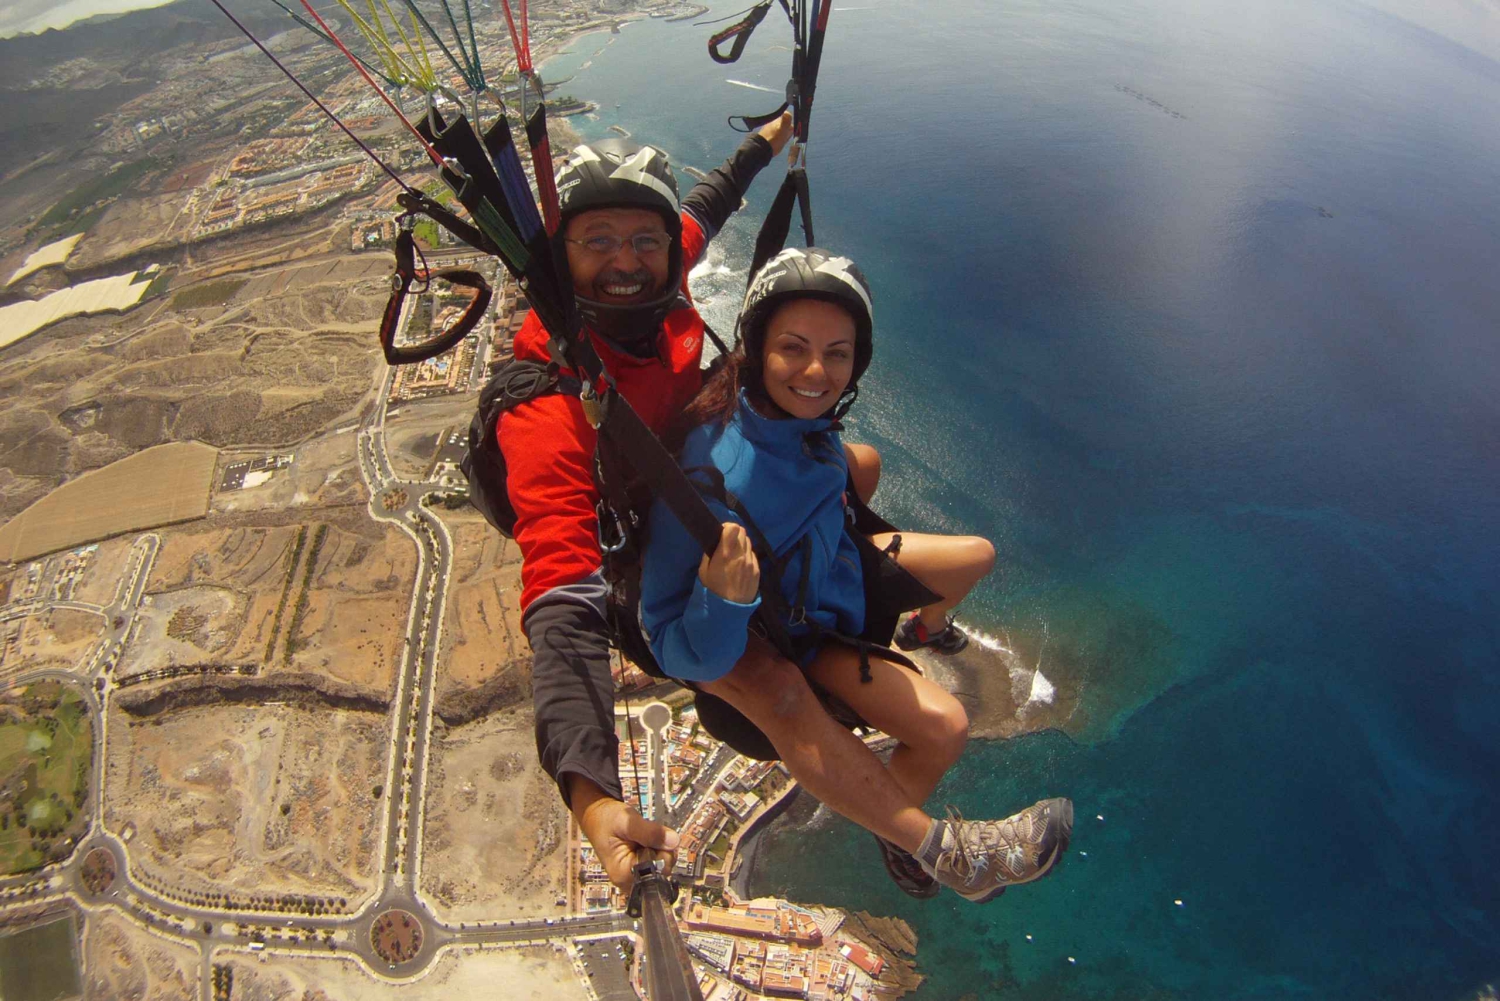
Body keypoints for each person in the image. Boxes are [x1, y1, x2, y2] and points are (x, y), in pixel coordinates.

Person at [638, 248, 1073, 902]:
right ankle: (911, 839)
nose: (817, 371)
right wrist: (724, 599)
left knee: (970, 549)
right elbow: (667, 637)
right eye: (795, 348)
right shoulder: (709, 476)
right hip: (807, 633)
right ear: (756, 348)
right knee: (947, 727)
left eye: (837, 354)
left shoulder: (793, 422)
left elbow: (817, 473)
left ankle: (927, 635)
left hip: (836, 571)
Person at [501, 115, 794, 892]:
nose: (624, 263)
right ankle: (920, 841)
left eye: (644, 241)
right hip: (631, 554)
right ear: (562, 258)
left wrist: (774, 136)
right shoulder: (546, 401)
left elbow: (712, 199)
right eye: (597, 241)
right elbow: (562, 594)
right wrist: (591, 792)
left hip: (690, 489)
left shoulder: (663, 269)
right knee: (773, 684)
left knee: (855, 467)